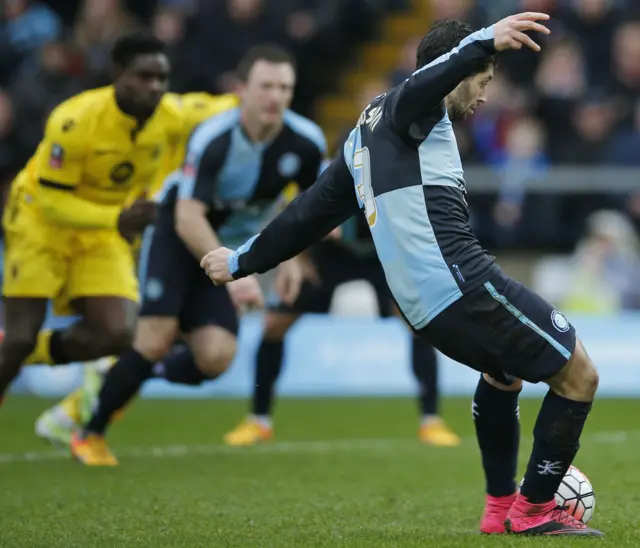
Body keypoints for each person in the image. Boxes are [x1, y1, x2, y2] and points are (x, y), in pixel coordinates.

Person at [201, 14, 604, 537]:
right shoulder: (409, 110)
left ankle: (500, 504)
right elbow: (426, 84)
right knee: (580, 376)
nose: (484, 97)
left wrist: (240, 261)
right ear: (455, 70)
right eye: (483, 81)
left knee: (503, 376)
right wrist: (483, 40)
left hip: (425, 306)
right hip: (461, 285)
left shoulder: (363, 137)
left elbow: (308, 215)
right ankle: (534, 510)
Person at [69, 45, 327, 466]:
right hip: (179, 233)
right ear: (241, 90)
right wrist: (238, 271)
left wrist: (294, 259)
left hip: (229, 252)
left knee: (216, 358)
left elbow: (308, 209)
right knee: (154, 336)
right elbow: (189, 217)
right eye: (266, 86)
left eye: (285, 87)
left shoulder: (305, 142)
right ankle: (89, 434)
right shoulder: (213, 138)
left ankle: (128, 372)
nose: (275, 97)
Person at [33, 90, 240, 447]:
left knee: (189, 351)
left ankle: (90, 396)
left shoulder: (186, 112)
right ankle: (83, 424)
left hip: (176, 231)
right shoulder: (102, 122)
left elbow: (240, 104)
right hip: (154, 229)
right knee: (146, 335)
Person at [0, 32, 183, 407]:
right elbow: (52, 202)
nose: (154, 88)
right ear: (118, 73)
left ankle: (32, 351)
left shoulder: (172, 116)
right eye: (144, 77)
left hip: (100, 231)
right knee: (19, 335)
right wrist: (118, 218)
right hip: (40, 222)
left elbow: (217, 107)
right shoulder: (74, 120)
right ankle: (15, 351)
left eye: (161, 79)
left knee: (117, 332)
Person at [224, 208, 461, 447]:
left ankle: (431, 421)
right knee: (275, 324)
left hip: (384, 252)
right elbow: (296, 203)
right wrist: (294, 257)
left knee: (418, 322)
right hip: (329, 254)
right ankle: (258, 420)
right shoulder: (320, 171)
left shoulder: (394, 173)